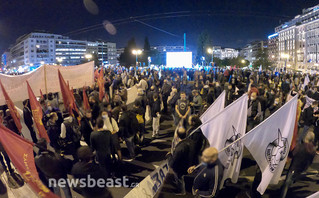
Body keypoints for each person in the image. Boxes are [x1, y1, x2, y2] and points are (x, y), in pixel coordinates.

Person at [280, 132, 316, 198]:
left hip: (293, 168)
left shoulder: (300, 146)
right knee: (292, 181)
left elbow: (291, 155)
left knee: (286, 185)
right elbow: (310, 161)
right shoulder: (313, 150)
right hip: (301, 169)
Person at [167, 128, 196, 195]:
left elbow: (172, 163)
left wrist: (169, 155)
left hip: (180, 168)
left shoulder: (180, 148)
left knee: (179, 179)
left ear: (177, 135)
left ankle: (181, 191)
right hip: (188, 164)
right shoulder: (191, 142)